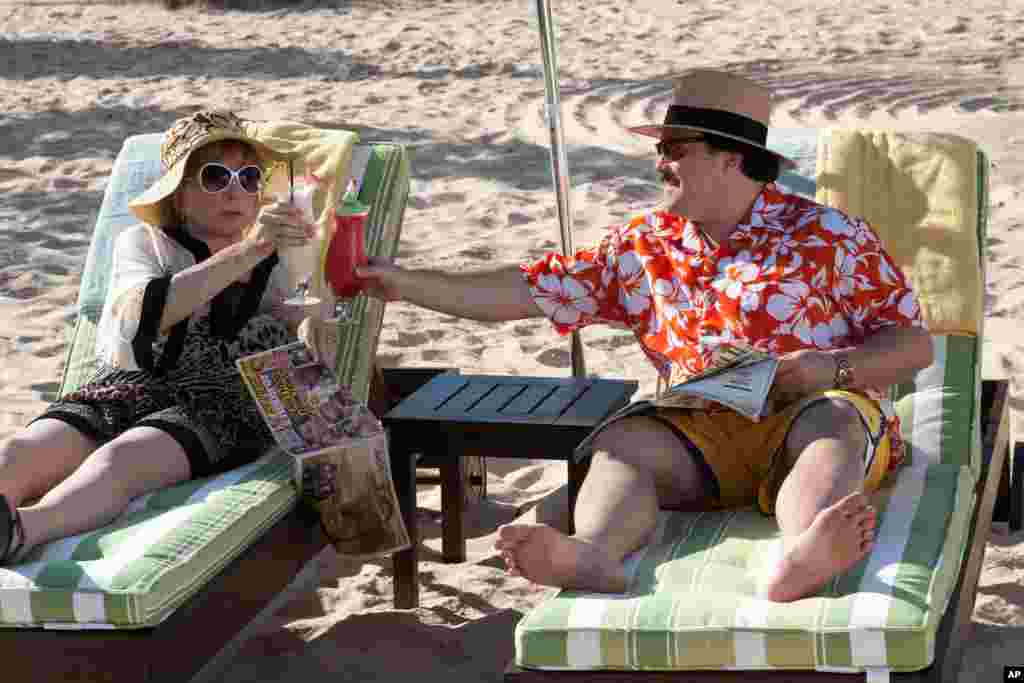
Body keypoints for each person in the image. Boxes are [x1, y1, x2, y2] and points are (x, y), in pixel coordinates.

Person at [352, 69, 934, 602]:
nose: (659, 163)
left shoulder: (829, 236)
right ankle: (595, 555)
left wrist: (829, 369)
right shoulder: (645, 244)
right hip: (699, 434)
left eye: (674, 150)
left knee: (830, 426)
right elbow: (526, 291)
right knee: (624, 442)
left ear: (730, 158)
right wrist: (405, 283)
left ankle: (806, 552)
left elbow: (913, 345)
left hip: (809, 409)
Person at [0, 110, 333, 564]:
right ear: (179, 194)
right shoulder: (145, 243)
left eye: (249, 177)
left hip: (222, 402)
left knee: (121, 460)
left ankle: (20, 531)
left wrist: (314, 315)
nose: (235, 190)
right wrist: (250, 249)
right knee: (23, 449)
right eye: (215, 176)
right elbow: (142, 317)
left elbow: (298, 321)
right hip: (132, 384)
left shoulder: (281, 257)